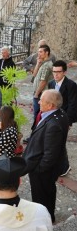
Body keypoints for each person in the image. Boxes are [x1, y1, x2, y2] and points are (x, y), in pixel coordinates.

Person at [23, 90, 69, 223]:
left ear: (51, 105)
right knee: (48, 192)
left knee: (41, 196)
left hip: (43, 171)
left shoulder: (53, 125)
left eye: (42, 100)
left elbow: (50, 155)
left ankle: (44, 221)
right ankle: (49, 216)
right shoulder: (60, 114)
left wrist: (38, 170)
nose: (39, 102)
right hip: (47, 168)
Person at [48, 60, 77, 176]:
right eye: (54, 72)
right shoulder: (51, 84)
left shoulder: (71, 85)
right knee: (54, 142)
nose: (55, 74)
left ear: (64, 72)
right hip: (51, 118)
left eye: (58, 72)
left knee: (60, 143)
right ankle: (58, 165)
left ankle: (65, 167)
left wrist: (68, 122)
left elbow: (73, 105)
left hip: (64, 119)